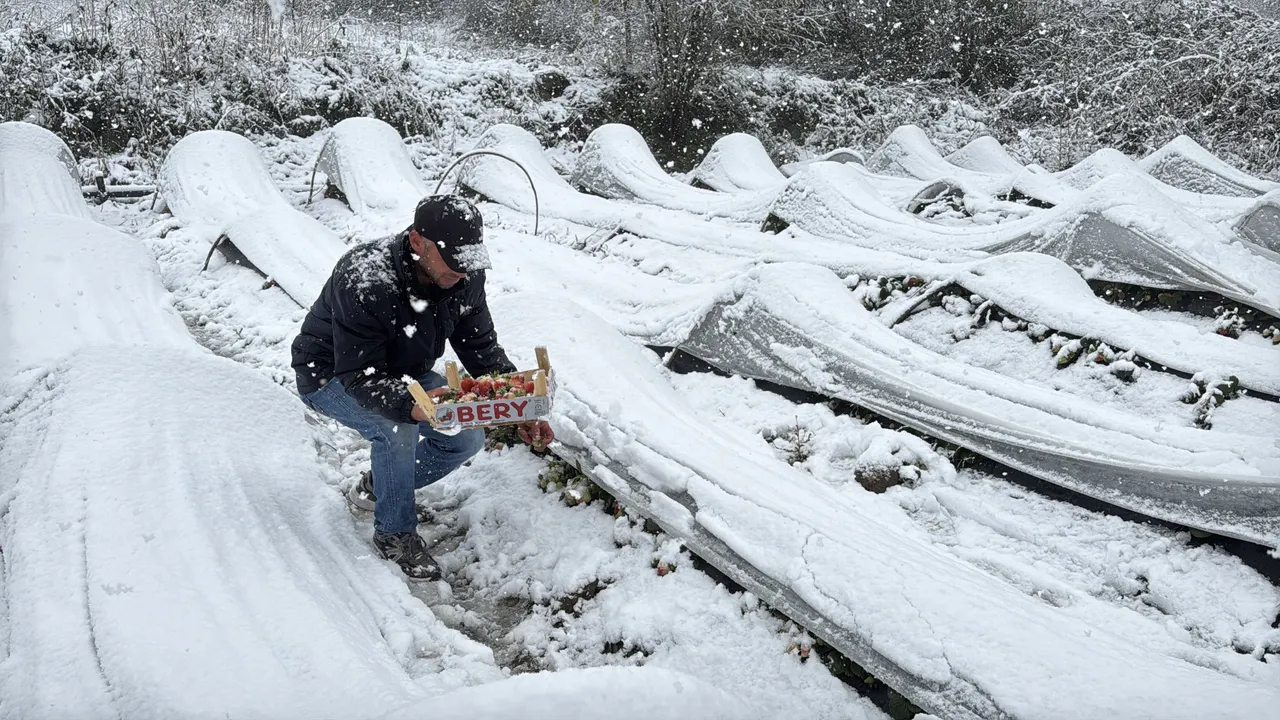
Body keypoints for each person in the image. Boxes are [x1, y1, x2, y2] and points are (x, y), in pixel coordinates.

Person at [291, 195, 554, 581]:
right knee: (396, 427)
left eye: (470, 262)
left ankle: (381, 486)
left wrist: (519, 408)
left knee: (465, 438)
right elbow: (359, 375)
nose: (463, 273)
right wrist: (410, 407)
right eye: (454, 261)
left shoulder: (463, 276)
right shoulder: (365, 278)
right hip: (331, 375)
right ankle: (395, 533)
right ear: (418, 242)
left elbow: (480, 348)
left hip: (403, 372)